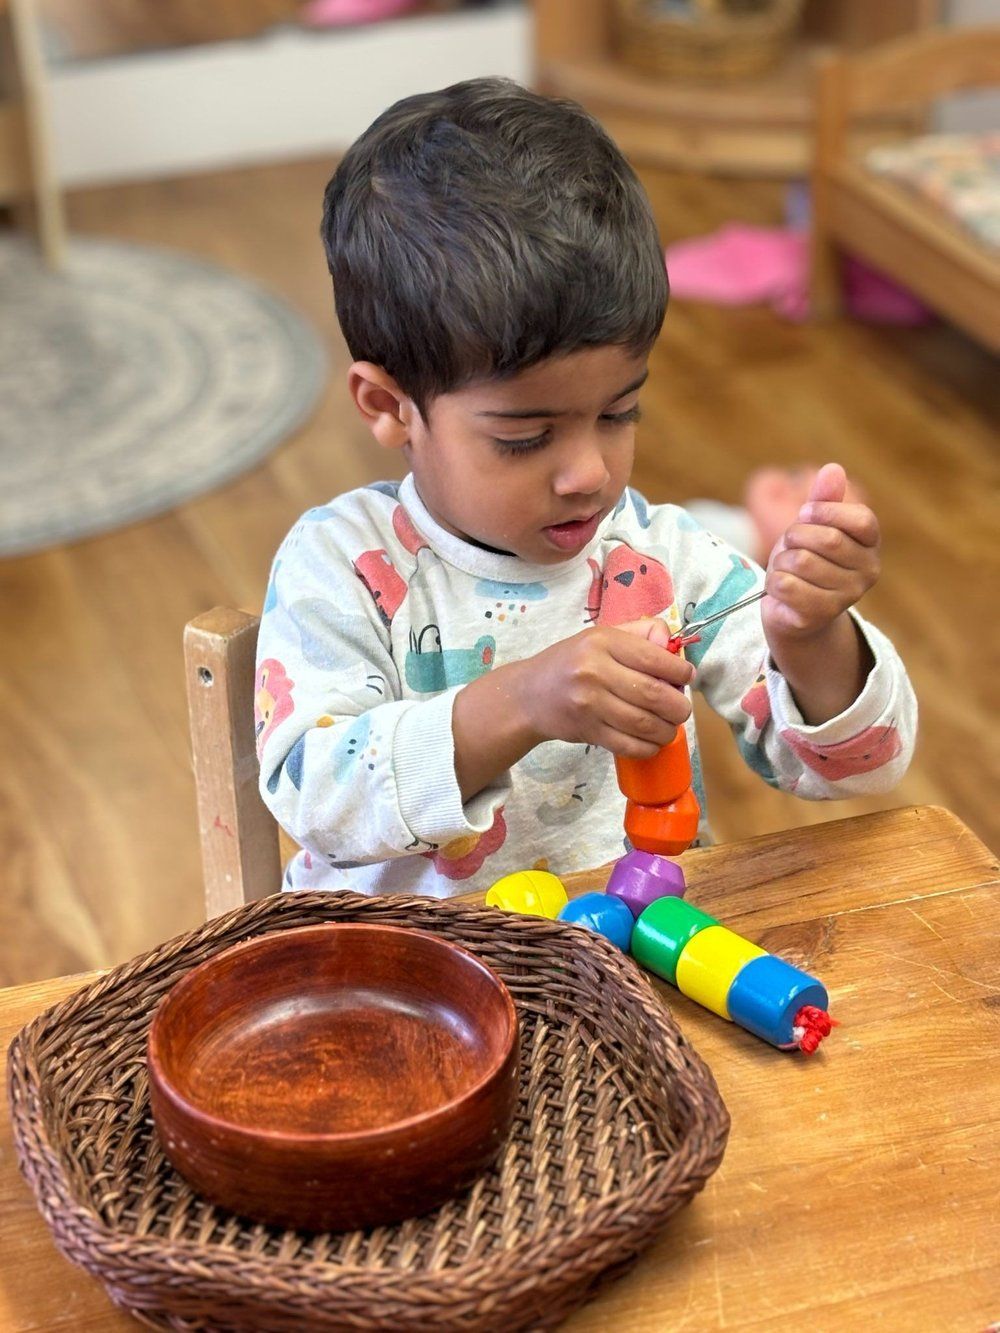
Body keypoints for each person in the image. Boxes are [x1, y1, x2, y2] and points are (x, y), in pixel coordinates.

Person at [255, 77, 917, 897]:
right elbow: (318, 799)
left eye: (620, 411)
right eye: (525, 437)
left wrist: (812, 636)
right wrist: (523, 700)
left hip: (630, 966)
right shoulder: (343, 564)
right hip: (409, 986)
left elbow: (860, 768)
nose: (589, 473)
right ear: (391, 407)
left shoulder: (659, 560)